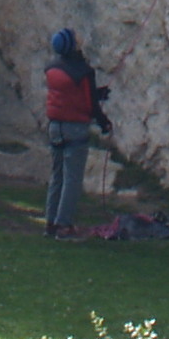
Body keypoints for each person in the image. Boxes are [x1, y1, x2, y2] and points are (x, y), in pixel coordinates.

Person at [40, 26, 112, 236]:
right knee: (72, 179)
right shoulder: (83, 71)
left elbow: (72, 95)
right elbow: (90, 106)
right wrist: (104, 123)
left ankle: (51, 223)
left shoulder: (52, 68)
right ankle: (64, 225)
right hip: (75, 128)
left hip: (55, 126)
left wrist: (97, 93)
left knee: (57, 176)